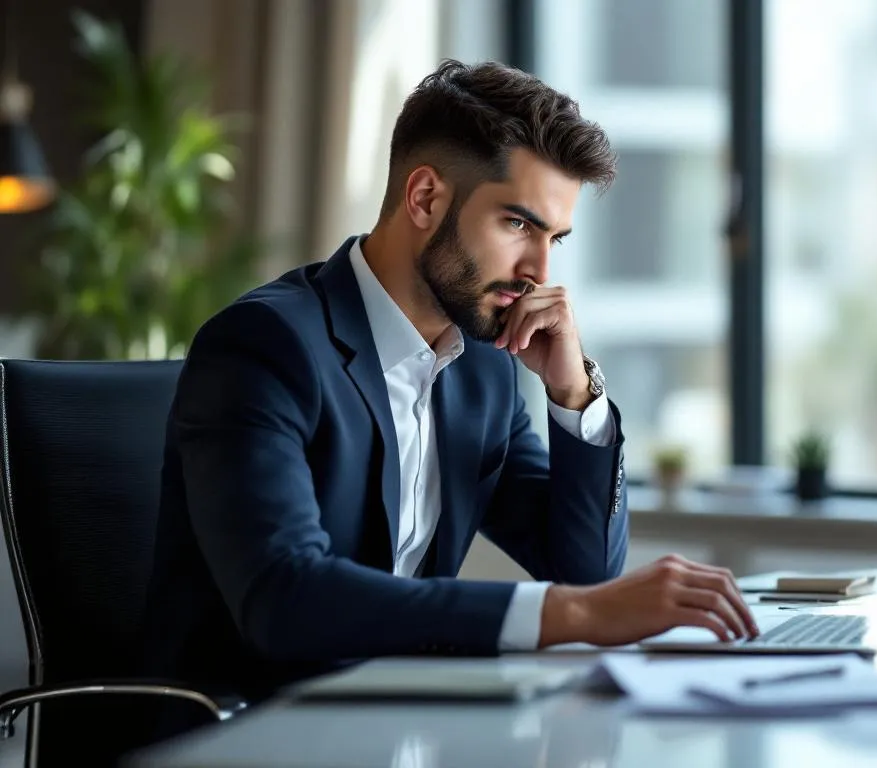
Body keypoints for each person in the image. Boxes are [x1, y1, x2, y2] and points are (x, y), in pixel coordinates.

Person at [142, 59, 758, 700]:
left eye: (556, 239)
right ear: (425, 198)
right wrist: (569, 615)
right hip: (246, 733)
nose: (538, 272)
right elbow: (284, 599)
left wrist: (575, 394)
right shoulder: (267, 348)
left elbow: (584, 570)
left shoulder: (481, 369)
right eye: (518, 224)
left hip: (397, 719)